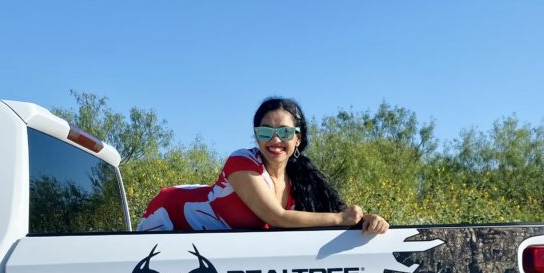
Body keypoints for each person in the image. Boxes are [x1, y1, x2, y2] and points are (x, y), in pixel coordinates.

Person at [137, 97, 389, 234]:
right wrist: (342, 218)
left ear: (298, 138)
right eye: (265, 131)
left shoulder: (299, 182)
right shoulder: (242, 161)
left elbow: (326, 216)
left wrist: (366, 221)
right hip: (169, 218)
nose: (275, 139)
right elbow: (276, 217)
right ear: (256, 136)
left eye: (285, 131)